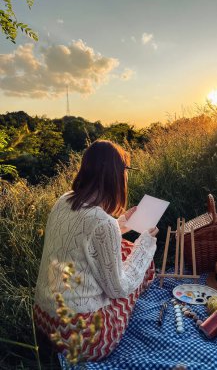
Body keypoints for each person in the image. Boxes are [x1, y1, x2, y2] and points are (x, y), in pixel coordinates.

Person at [34, 140, 158, 361]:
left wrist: (122, 223)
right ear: (116, 175)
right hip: (82, 337)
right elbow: (118, 289)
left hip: (44, 319)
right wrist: (145, 246)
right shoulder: (102, 223)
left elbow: (85, 238)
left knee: (123, 248)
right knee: (139, 261)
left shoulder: (64, 201)